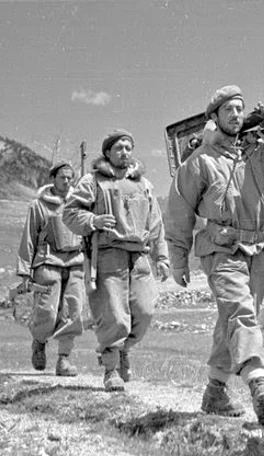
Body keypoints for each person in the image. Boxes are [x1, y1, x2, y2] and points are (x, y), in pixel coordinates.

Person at [165, 85, 264, 427]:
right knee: (241, 313)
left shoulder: (257, 154)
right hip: (221, 249)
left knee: (235, 318)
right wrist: (179, 260)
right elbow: (179, 212)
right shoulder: (200, 162)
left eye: (240, 108)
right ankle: (258, 382)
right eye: (228, 109)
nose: (236, 114)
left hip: (260, 249)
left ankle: (215, 391)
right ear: (214, 117)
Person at [63, 129, 170, 392]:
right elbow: (70, 213)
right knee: (114, 316)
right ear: (108, 152)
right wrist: (93, 221)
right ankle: (111, 369)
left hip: (140, 256)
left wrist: (162, 257)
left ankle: (124, 349)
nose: (124, 152)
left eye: (128, 147)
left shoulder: (143, 184)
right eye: (119, 148)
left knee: (144, 312)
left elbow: (156, 224)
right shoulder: (92, 181)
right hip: (108, 255)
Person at [17, 162, 85, 377]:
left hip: (75, 262)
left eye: (70, 178)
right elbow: (29, 237)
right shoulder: (38, 205)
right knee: (46, 310)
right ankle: (39, 342)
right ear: (53, 179)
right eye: (62, 177)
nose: (67, 182)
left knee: (72, 310)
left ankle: (64, 360)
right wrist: (25, 271)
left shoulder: (81, 204)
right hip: (47, 263)